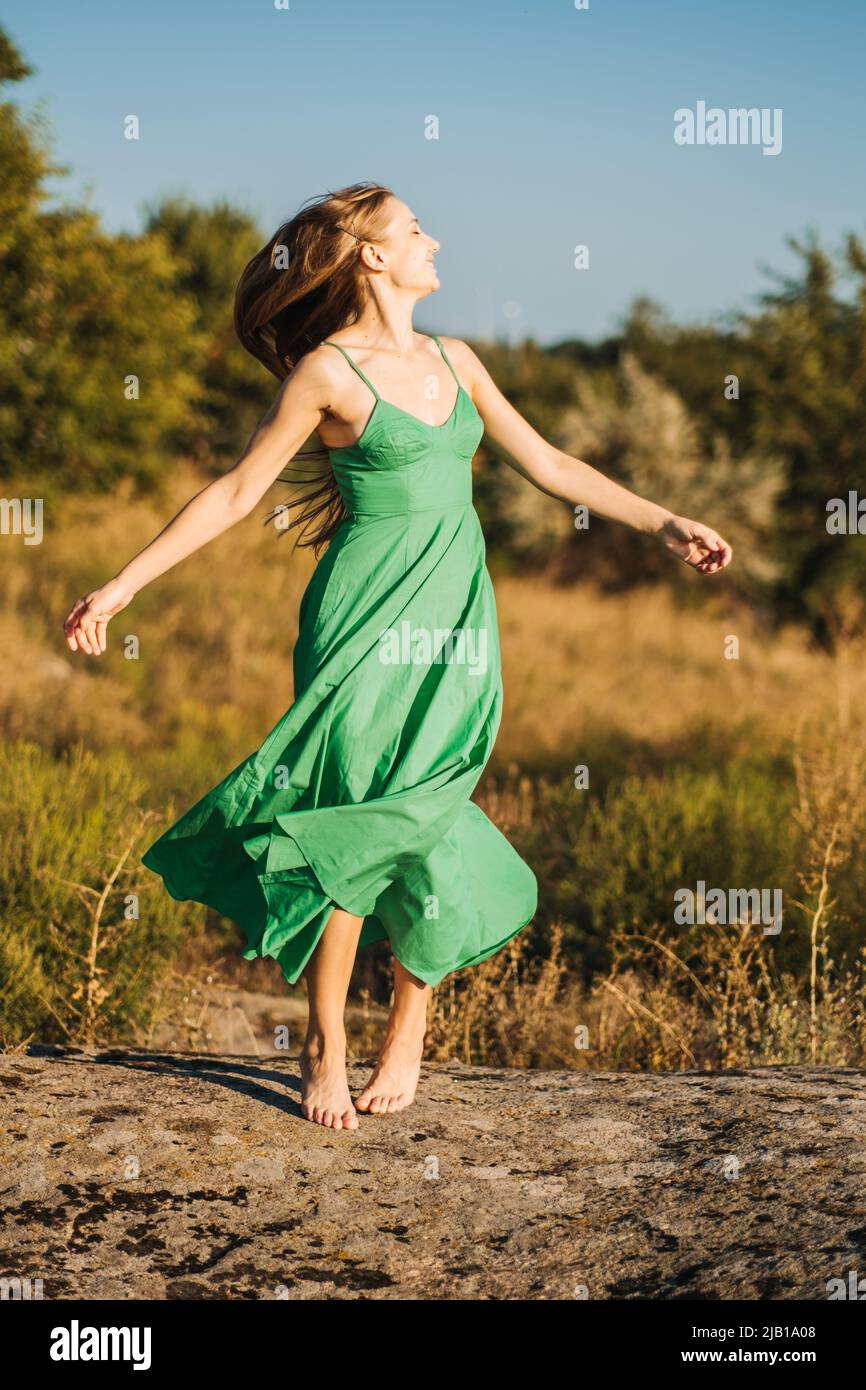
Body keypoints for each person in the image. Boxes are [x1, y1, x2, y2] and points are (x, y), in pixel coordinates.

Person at [63, 181, 733, 1131]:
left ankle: (409, 1021)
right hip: (361, 623)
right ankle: (326, 1042)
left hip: (458, 617)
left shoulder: (457, 362)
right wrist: (123, 585)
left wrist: (664, 520)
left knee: (432, 805)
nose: (436, 239)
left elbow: (549, 465)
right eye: (416, 230)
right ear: (373, 256)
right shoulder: (329, 374)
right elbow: (236, 490)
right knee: (353, 816)